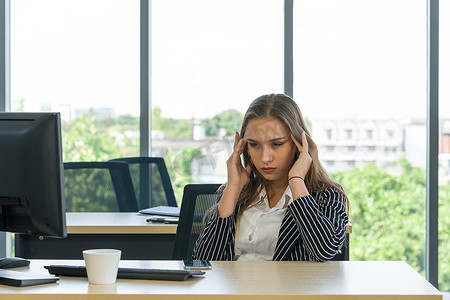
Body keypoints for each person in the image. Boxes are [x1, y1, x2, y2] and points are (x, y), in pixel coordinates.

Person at [192, 93, 349, 261]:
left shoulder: (326, 194)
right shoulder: (237, 192)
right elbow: (203, 260)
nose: (265, 158)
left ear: (299, 144)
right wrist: (232, 188)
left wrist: (296, 180)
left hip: (285, 287)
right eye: (254, 145)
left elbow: (324, 251)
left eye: (276, 144)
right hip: (235, 287)